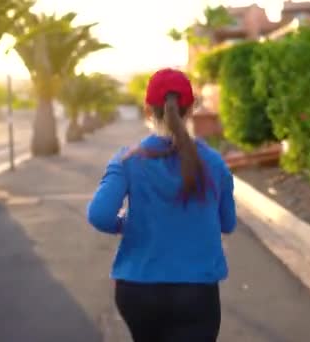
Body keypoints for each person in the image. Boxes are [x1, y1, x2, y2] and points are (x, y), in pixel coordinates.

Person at [87, 68, 236, 342]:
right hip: (196, 293)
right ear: (190, 109)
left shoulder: (127, 159)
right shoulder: (214, 162)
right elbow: (228, 223)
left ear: (147, 110)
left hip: (137, 290)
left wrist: (125, 223)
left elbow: (99, 214)